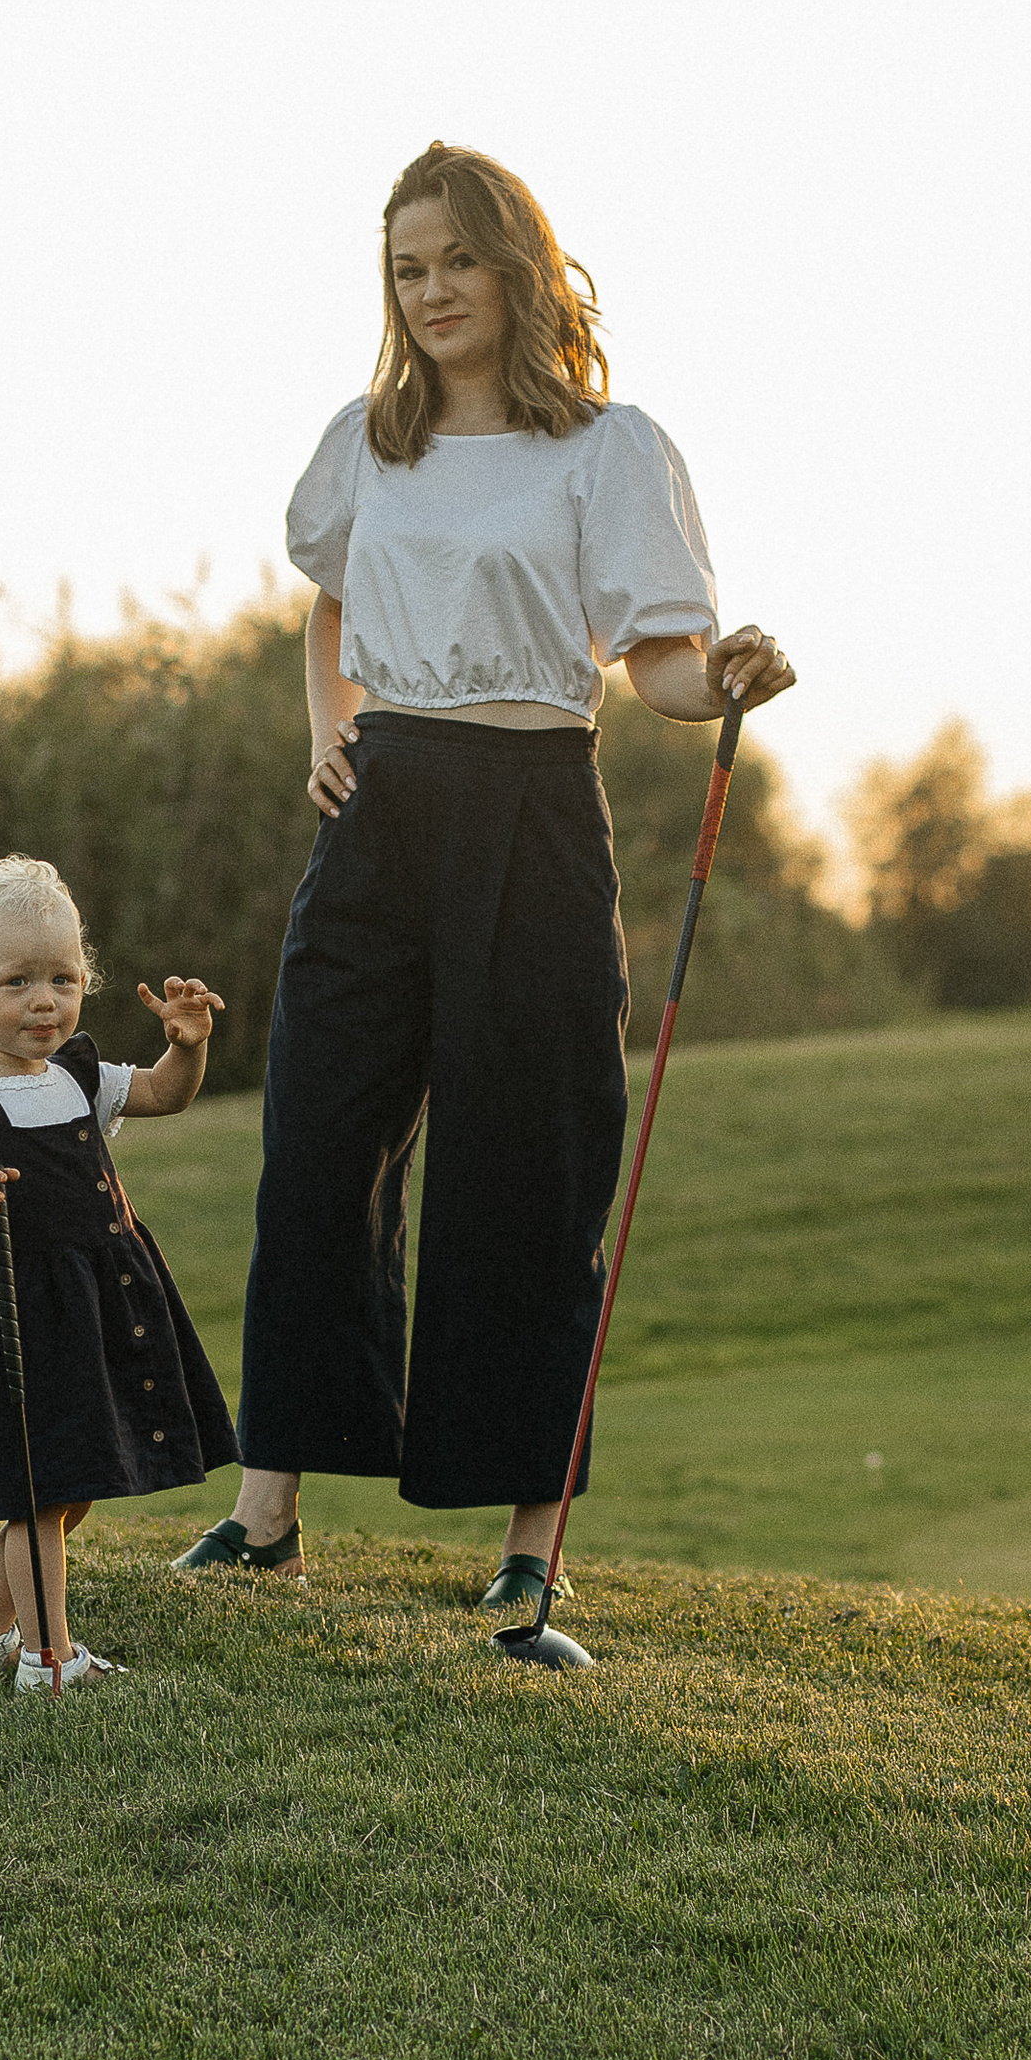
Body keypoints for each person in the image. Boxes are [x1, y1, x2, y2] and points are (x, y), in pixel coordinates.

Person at [175, 139, 796, 1602]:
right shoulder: (367, 442)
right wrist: (328, 733)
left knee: (525, 1175)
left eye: (458, 260)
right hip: (379, 812)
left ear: (518, 268)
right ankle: (267, 1515)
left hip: (530, 808)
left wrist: (729, 680)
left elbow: (656, 665)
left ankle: (528, 1551)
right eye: (408, 267)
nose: (433, 290)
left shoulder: (609, 447)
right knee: (317, 1160)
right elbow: (327, 606)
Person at [0, 855, 236, 1686]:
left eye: (64, 978)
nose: (45, 1001)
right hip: (18, 1320)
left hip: (99, 1311)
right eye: (17, 982)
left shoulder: (79, 1077)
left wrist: (187, 1048)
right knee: (40, 1493)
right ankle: (48, 1661)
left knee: (68, 1488)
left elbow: (164, 1093)